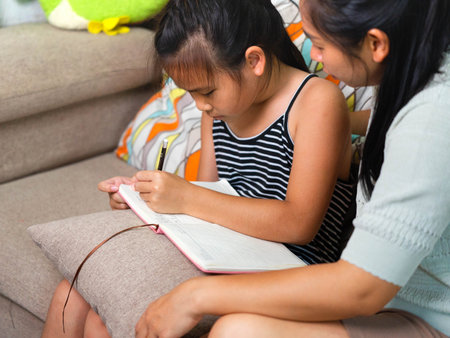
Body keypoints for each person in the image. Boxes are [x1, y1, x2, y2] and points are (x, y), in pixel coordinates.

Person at [131, 0, 450, 337]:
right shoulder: (411, 77)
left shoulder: (431, 121)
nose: (315, 58)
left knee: (238, 332)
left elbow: (362, 286)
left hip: (421, 313)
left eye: (322, 44)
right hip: (391, 299)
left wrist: (196, 297)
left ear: (376, 44)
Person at [41, 0, 356, 336]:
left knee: (103, 322)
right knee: (70, 292)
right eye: (191, 94)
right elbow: (208, 199)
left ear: (254, 61)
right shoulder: (217, 110)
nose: (200, 106)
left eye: (206, 91)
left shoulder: (317, 101)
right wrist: (146, 197)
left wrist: (187, 196)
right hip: (224, 255)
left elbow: (299, 225)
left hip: (288, 272)